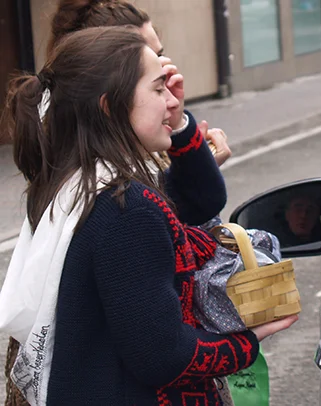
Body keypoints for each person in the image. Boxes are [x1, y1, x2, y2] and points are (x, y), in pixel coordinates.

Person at [0, 27, 297, 405]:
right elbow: (164, 356)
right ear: (110, 107)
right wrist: (248, 342)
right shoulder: (127, 208)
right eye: (158, 89)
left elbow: (199, 200)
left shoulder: (77, 182)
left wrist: (181, 126)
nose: (171, 100)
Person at [46, 0, 232, 168]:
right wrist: (199, 168)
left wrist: (181, 131)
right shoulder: (102, 175)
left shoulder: (142, 140)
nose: (163, 71)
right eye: (146, 60)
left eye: (159, 55)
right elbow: (166, 193)